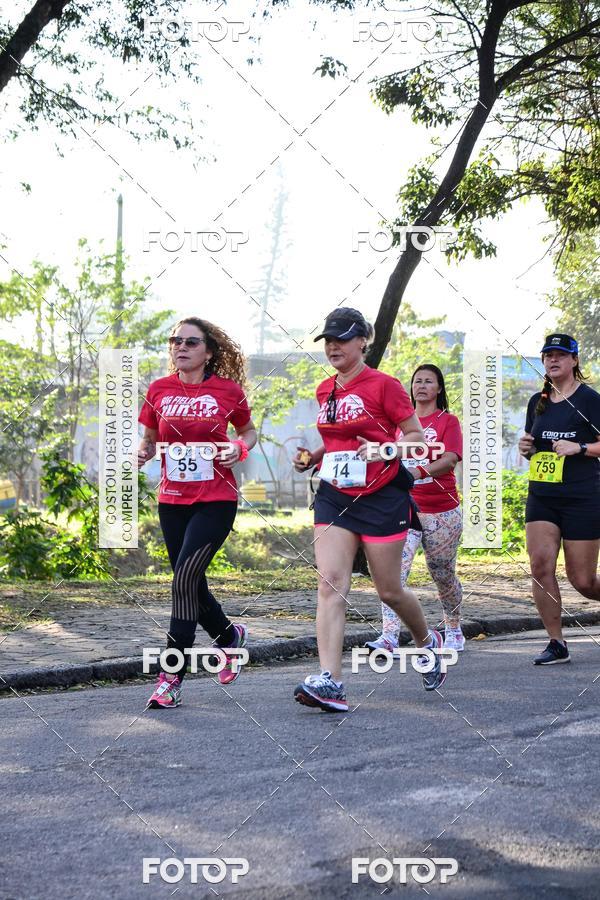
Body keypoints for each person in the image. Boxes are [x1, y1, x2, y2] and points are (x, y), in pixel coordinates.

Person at [292, 307, 448, 712]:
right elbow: (341, 441)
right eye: (327, 339)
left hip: (381, 497)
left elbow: (416, 440)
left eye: (341, 338)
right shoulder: (324, 390)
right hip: (335, 495)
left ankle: (427, 642)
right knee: (330, 582)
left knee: (389, 590)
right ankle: (331, 681)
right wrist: (314, 456)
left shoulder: (385, 386)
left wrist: (385, 448)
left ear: (364, 342)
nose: (332, 346)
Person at [138, 317, 257, 708]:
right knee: (187, 582)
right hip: (171, 500)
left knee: (184, 578)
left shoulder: (227, 390)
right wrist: (144, 453)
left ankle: (171, 676)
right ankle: (228, 638)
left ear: (208, 351)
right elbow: (150, 440)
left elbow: (248, 432)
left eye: (191, 341)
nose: (181, 347)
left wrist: (238, 449)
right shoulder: (158, 390)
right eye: (176, 341)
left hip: (216, 499)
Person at [365, 364, 464, 653]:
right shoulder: (398, 426)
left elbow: (449, 460)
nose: (421, 385)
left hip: (441, 509)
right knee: (393, 575)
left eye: (428, 381)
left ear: (439, 389)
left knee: (442, 572)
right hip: (403, 509)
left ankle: (454, 627)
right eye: (417, 381)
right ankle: (389, 638)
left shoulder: (448, 421)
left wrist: (416, 473)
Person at [518, 333, 600, 665]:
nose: (553, 360)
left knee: (582, 580)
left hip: (583, 497)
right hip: (543, 495)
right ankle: (556, 642)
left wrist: (579, 448)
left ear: (574, 361)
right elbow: (535, 449)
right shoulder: (537, 401)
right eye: (548, 355)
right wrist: (526, 450)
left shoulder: (591, 400)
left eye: (561, 355)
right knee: (540, 565)